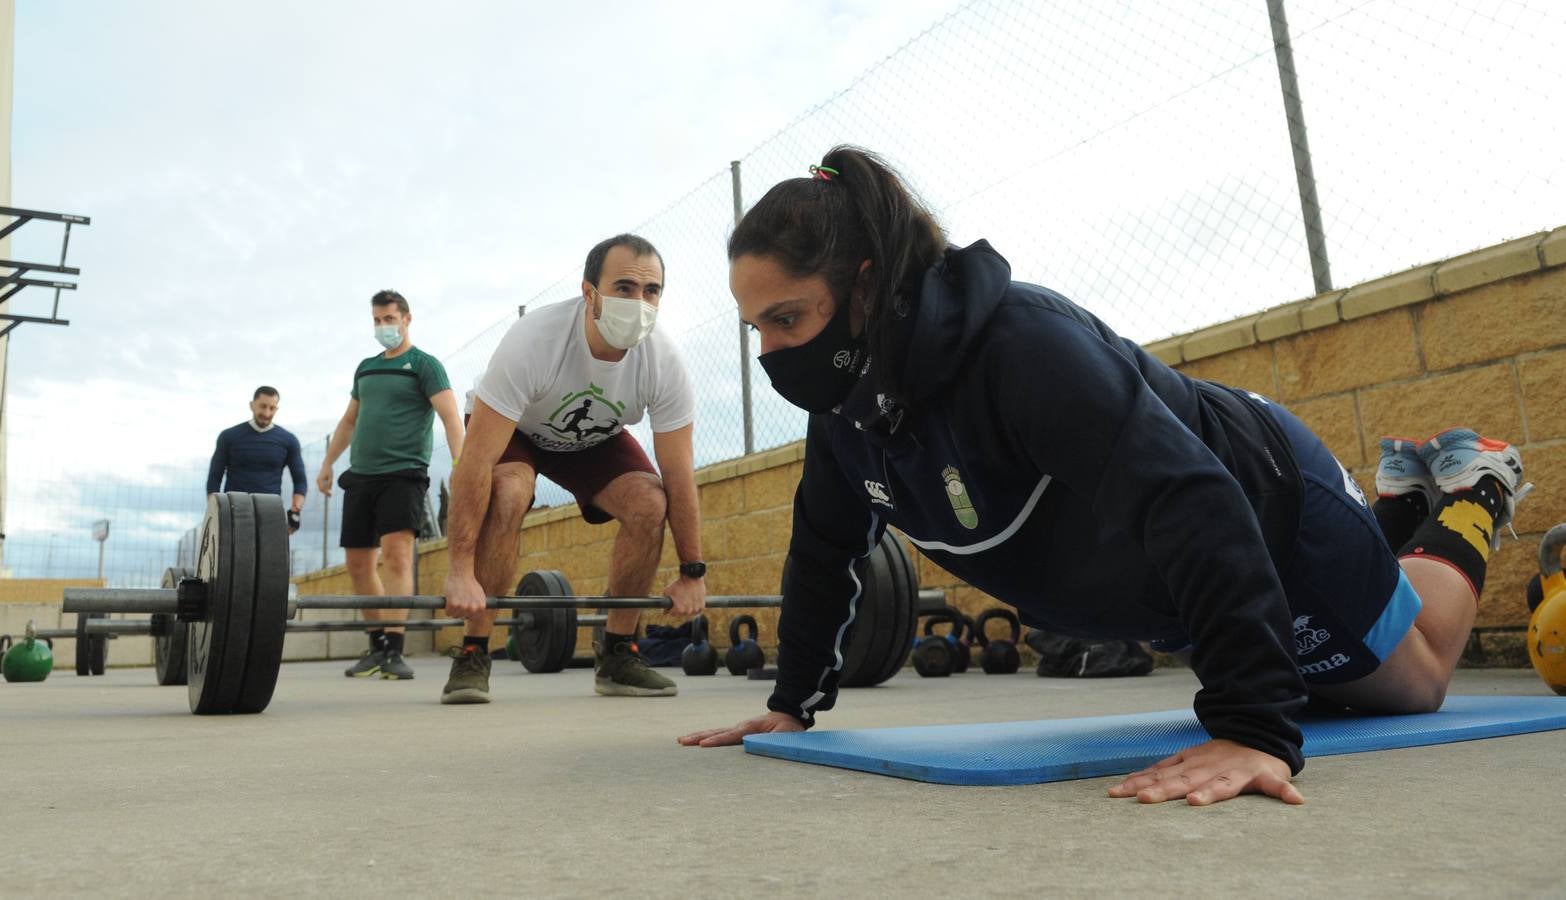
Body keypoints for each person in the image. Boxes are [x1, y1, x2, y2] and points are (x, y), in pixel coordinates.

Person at [678, 146, 1530, 807]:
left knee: (1411, 679)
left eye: (787, 319)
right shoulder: (848, 419)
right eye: (755, 329)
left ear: (863, 286)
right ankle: (1402, 509)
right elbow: (824, 553)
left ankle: (1474, 492)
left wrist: (1251, 730)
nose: (772, 354)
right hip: (1180, 584)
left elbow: (1188, 498)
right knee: (1332, 681)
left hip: (1268, 512)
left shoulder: (1022, 348)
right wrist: (792, 703)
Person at [441, 234, 704, 704]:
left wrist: (693, 572)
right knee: (509, 493)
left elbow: (679, 472)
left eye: (651, 291)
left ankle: (619, 652)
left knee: (649, 502)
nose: (639, 302)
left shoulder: (663, 361)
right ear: (590, 293)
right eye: (623, 288)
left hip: (591, 437)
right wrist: (460, 569)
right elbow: (475, 461)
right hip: (514, 429)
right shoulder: (534, 342)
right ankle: (473, 650)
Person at [317, 290, 465, 680]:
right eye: (378, 321)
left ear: (406, 319)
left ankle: (395, 649)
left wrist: (461, 463)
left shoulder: (425, 365)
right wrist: (328, 462)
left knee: (397, 556)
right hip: (361, 476)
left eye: (389, 319)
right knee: (358, 563)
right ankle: (377, 644)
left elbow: (450, 417)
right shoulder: (365, 368)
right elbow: (350, 420)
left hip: (403, 473)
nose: (384, 327)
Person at [206, 386, 307, 533]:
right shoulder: (228, 437)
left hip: (270, 511)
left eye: (272, 408)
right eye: (263, 406)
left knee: (268, 556)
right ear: (252, 405)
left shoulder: (289, 440)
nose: (267, 413)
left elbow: (300, 480)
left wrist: (295, 511)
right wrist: (213, 512)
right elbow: (214, 477)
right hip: (233, 510)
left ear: (276, 409)